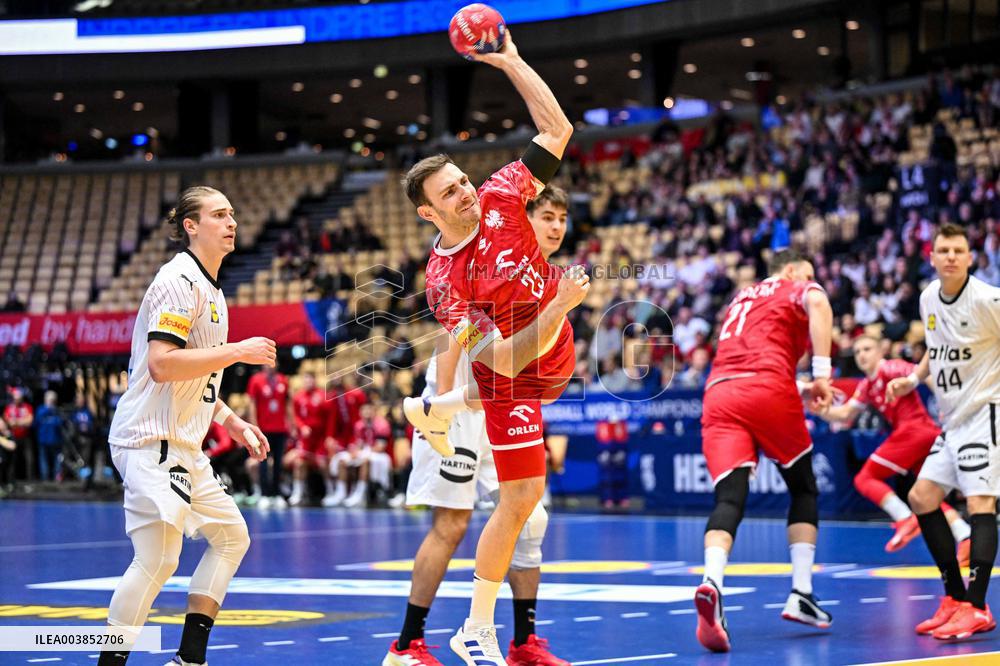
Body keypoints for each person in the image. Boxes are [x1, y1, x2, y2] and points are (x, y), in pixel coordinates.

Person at [400, 30, 587, 665]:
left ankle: (438, 408)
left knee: (524, 500)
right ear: (429, 214)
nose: (466, 192)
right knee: (521, 500)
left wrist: (510, 60)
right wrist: (557, 307)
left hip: (555, 354)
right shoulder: (445, 285)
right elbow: (503, 360)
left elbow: (557, 130)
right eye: (450, 192)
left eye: (462, 180)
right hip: (518, 371)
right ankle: (476, 628)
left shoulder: (505, 194)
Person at [384, 186, 572, 666]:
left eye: (561, 219)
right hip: (465, 406)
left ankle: (524, 641)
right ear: (522, 220)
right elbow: (450, 340)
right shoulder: (492, 260)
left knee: (529, 514)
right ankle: (406, 645)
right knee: (452, 523)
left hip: (501, 402)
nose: (555, 227)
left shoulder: (543, 275)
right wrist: (442, 408)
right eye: (546, 217)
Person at [97, 186, 275, 666]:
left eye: (232, 213)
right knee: (158, 558)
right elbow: (162, 364)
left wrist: (232, 420)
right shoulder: (178, 280)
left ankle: (189, 659)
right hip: (149, 440)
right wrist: (237, 351)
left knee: (232, 538)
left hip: (185, 446)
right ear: (191, 226)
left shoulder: (212, 288)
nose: (231, 222)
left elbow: (197, 376)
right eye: (219, 214)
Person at [694, 249, 835, 653]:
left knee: (729, 499)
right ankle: (802, 593)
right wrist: (821, 377)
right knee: (803, 489)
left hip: (720, 393)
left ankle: (711, 581)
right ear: (791, 270)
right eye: (807, 273)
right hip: (768, 390)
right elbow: (819, 302)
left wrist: (798, 385)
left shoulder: (742, 297)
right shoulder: (792, 286)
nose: (810, 279)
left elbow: (751, 354)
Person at [886, 223, 1000, 640]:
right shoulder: (928, 297)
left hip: (986, 412)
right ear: (932, 258)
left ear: (970, 257)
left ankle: (976, 606)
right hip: (952, 420)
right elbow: (937, 348)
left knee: (980, 503)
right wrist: (913, 379)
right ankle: (954, 597)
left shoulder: (988, 299)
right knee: (921, 497)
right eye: (944, 250)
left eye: (958, 250)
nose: (951, 256)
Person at [813, 335, 971, 559]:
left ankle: (905, 518)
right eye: (857, 351)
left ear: (880, 351)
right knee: (926, 497)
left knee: (865, 478)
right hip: (923, 437)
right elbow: (846, 414)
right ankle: (965, 535)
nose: (862, 355)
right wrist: (821, 411)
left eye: (867, 349)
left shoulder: (891, 367)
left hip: (914, 431)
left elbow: (925, 374)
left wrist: (945, 403)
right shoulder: (867, 385)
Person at [284, 371, 337, 507]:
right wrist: (302, 427)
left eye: (310, 379)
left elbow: (330, 419)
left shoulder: (322, 396)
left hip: (320, 439)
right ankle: (298, 493)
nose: (308, 382)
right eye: (306, 379)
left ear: (315, 380)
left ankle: (331, 491)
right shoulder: (298, 397)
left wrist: (329, 436)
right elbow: (295, 416)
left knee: (323, 463)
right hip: (306, 440)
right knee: (299, 463)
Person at [245, 364, 292, 508]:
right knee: (263, 461)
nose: (270, 365)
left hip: (280, 429)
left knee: (278, 463)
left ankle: (276, 494)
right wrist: (254, 426)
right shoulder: (256, 380)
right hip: (264, 429)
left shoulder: (283, 380)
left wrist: (291, 424)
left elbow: (288, 404)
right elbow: (252, 404)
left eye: (273, 362)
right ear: (263, 365)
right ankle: (264, 494)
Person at [34, 390, 65, 482]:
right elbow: (36, 422)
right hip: (43, 440)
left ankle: (57, 477)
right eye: (50, 400)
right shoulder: (40, 410)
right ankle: (45, 478)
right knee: (43, 459)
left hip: (56, 440)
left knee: (57, 459)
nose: (52, 402)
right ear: (45, 400)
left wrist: (54, 410)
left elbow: (61, 423)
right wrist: (48, 409)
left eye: (53, 400)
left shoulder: (58, 411)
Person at [4, 387, 34, 481]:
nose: (17, 400)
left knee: (29, 458)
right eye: (16, 398)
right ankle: (11, 479)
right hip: (13, 437)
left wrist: (16, 422)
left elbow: (29, 421)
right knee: (13, 459)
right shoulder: (9, 407)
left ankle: (30, 479)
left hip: (25, 437)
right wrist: (22, 422)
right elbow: (8, 422)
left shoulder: (27, 407)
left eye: (19, 398)